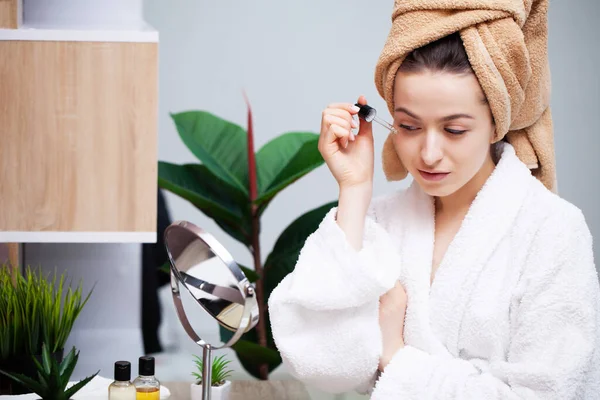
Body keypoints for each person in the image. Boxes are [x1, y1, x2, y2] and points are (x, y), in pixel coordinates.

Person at [267, 20, 600, 400]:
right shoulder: (381, 224)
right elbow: (320, 364)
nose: (428, 154)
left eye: (454, 130)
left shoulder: (553, 230)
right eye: (408, 126)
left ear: (495, 123)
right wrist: (354, 190)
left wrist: (395, 358)